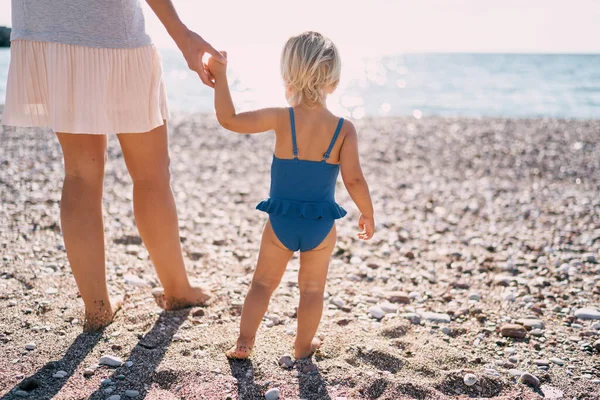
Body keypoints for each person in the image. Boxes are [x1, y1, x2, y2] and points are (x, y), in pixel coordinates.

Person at [1, 0, 226, 331]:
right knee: (151, 174)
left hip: (44, 28)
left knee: (79, 173)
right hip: (108, 30)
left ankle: (97, 308)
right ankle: (177, 288)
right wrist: (182, 35)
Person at [206, 31, 375, 360]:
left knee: (262, 284)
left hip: (281, 222)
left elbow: (229, 119)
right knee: (312, 290)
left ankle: (244, 343)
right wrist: (367, 213)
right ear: (334, 80)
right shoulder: (344, 129)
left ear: (288, 75)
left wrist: (222, 77)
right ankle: (301, 347)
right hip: (321, 226)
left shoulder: (282, 118)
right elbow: (354, 179)